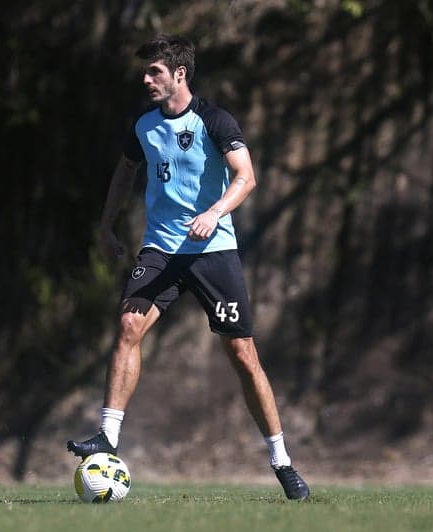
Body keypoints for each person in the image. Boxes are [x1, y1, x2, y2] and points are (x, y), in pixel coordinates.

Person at [67, 34, 310, 501]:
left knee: (242, 355)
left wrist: (214, 212)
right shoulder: (143, 126)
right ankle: (108, 436)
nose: (146, 79)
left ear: (179, 74)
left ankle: (282, 461)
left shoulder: (215, 121)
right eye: (145, 72)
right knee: (128, 325)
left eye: (154, 71)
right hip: (160, 249)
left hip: (213, 251)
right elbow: (125, 171)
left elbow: (247, 176)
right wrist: (106, 226)